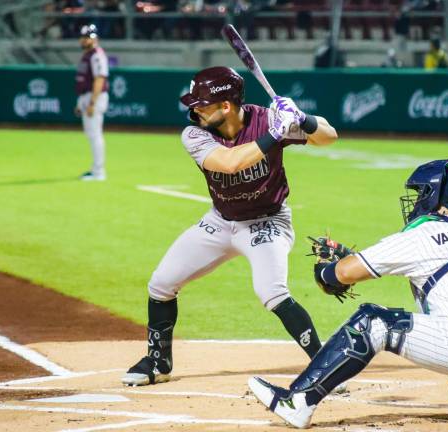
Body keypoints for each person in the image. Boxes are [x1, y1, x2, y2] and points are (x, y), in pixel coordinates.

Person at [247, 159, 448, 428]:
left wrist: (324, 268)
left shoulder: (424, 233)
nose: (416, 201)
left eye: (421, 193)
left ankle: (299, 400)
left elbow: (340, 275)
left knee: (372, 322)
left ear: (436, 196)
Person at [122, 66, 339, 387]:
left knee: (272, 292)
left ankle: (326, 365)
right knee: (161, 283)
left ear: (226, 106)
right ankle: (158, 362)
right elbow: (229, 162)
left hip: (268, 221)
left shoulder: (266, 119)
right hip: (220, 221)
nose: (193, 109)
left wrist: (303, 118)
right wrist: (277, 134)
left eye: (202, 103)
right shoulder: (195, 133)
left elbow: (329, 137)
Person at [74, 24, 109, 181]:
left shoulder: (96, 55)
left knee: (95, 135)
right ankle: (95, 169)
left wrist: (92, 103)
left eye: (87, 37)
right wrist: (80, 102)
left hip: (95, 97)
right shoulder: (87, 55)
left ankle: (98, 172)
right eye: (83, 37)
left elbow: (100, 79)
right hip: (86, 96)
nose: (84, 40)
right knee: (91, 135)